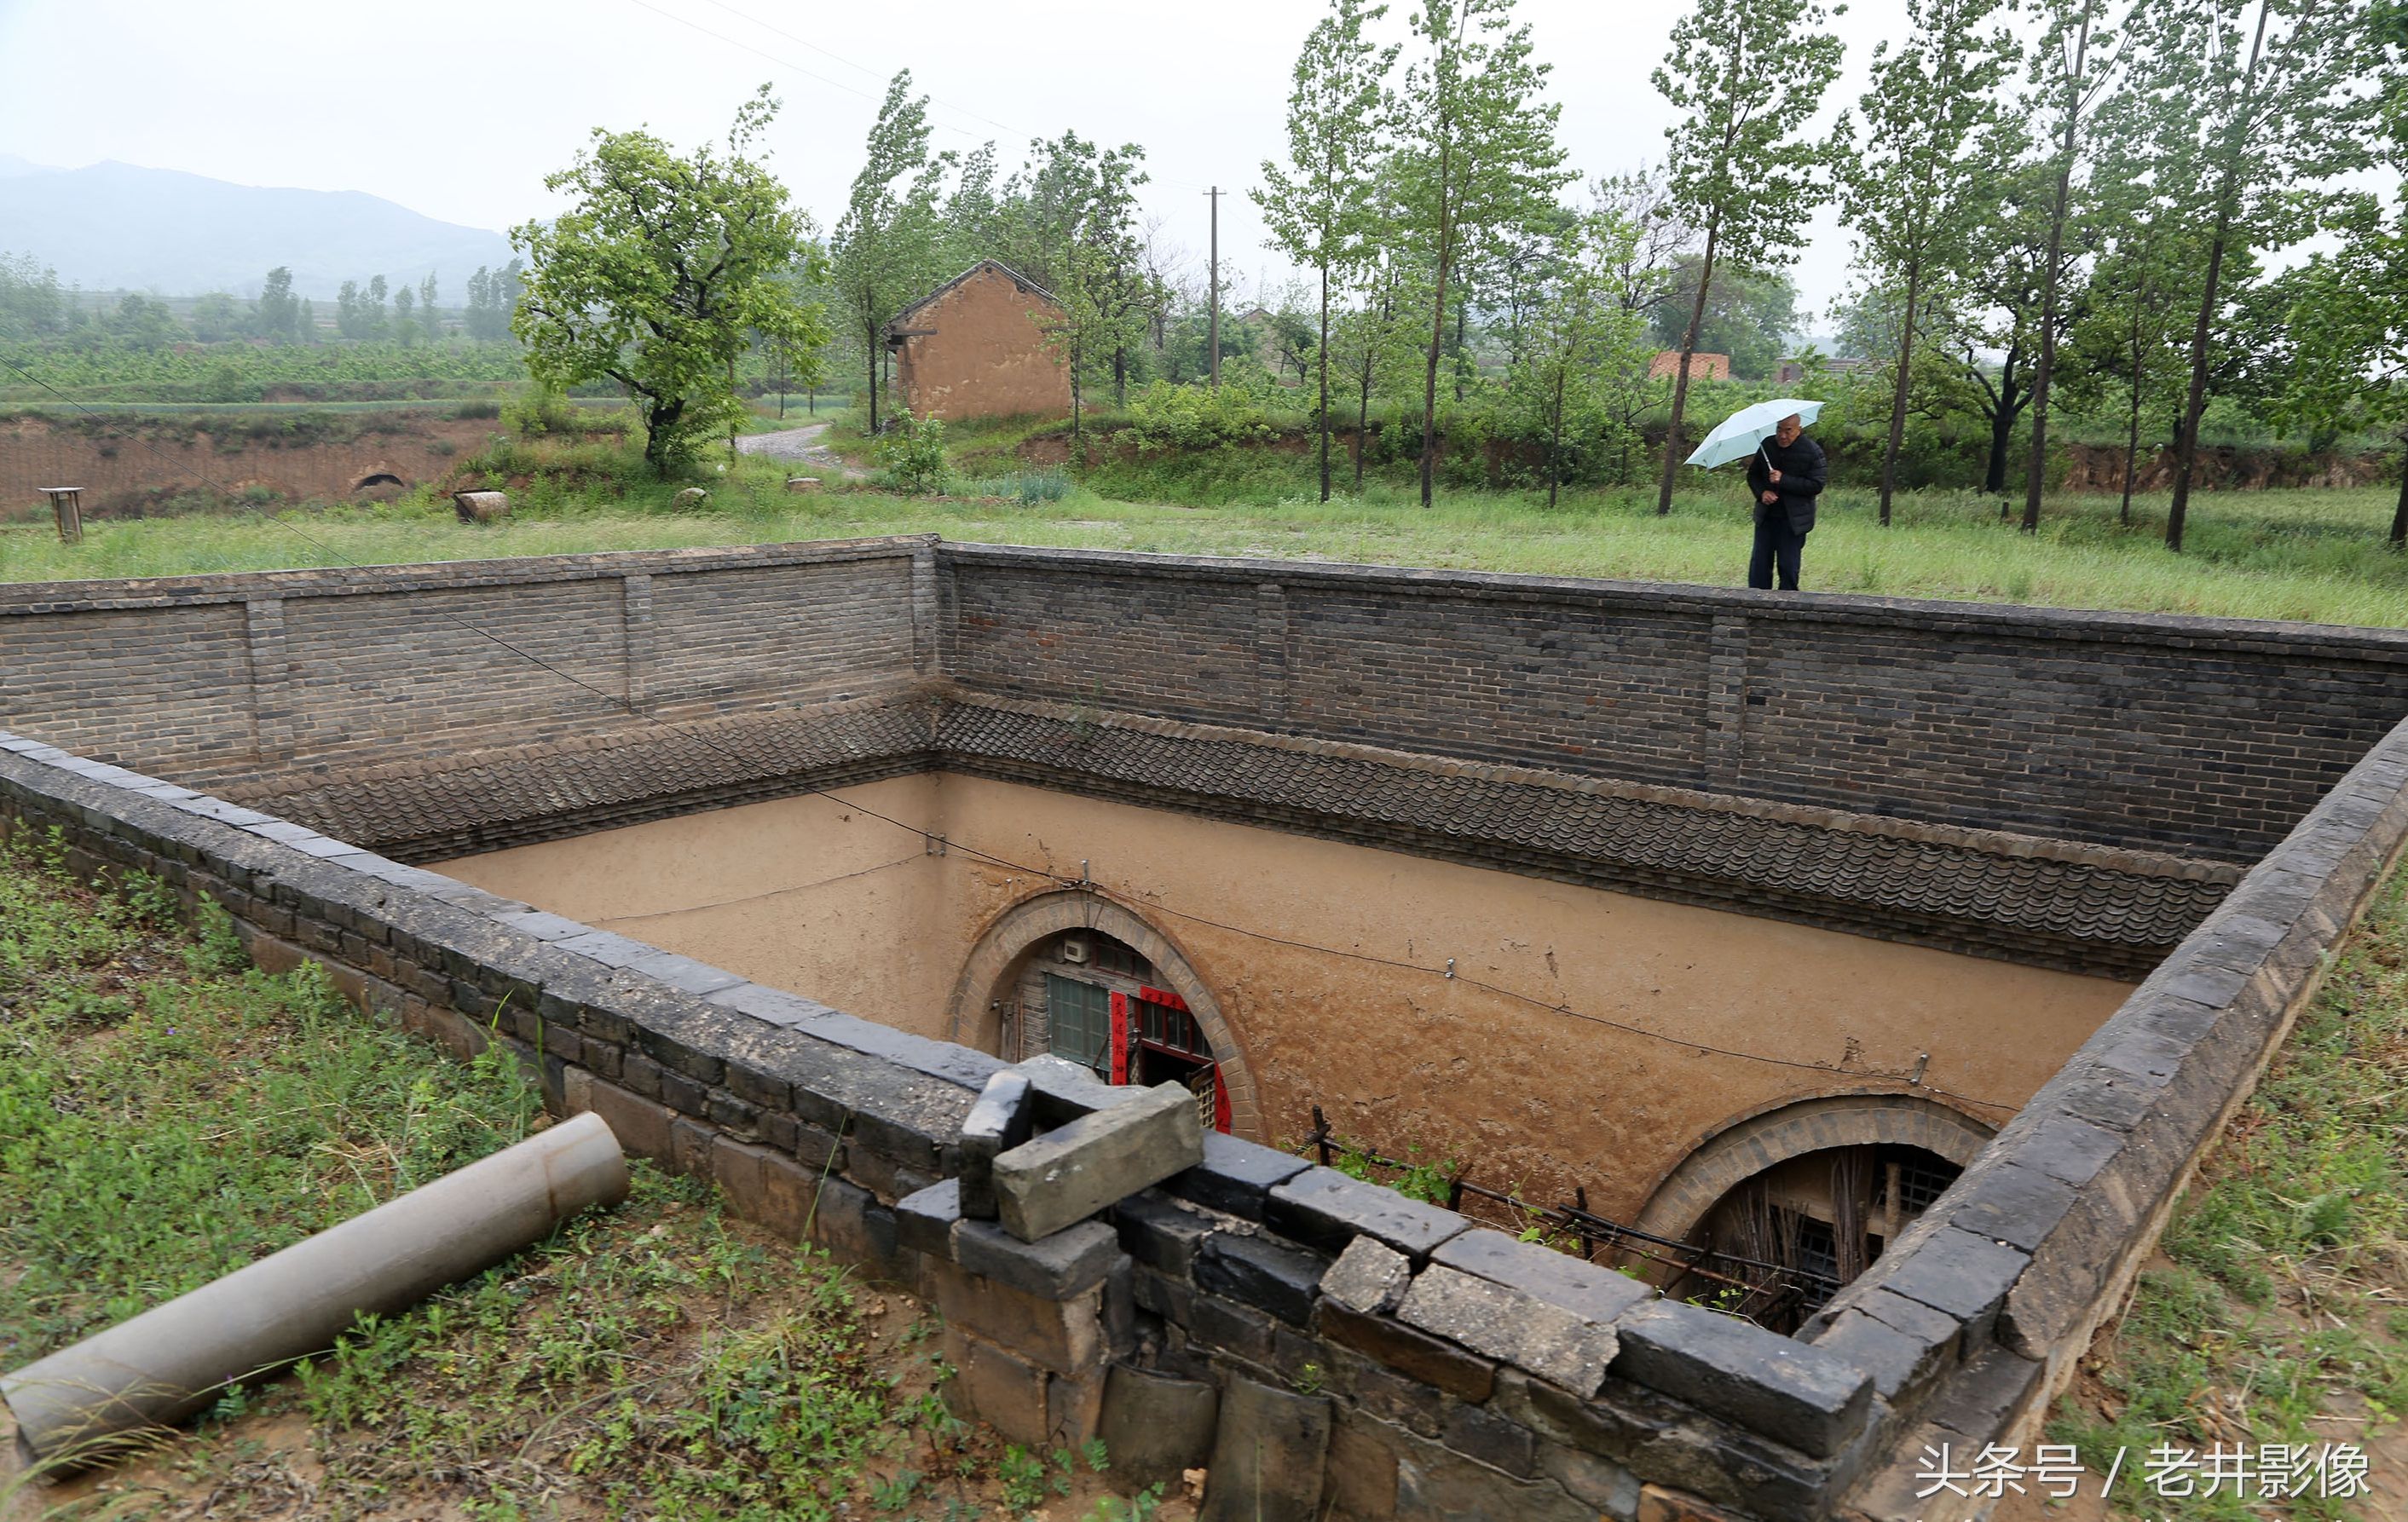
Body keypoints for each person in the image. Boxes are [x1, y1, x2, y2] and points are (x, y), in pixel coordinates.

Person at [1745, 413, 1827, 591]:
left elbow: (1816, 484)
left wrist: (1784, 480)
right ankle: (1756, 605)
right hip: (1766, 517)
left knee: (1788, 566)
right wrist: (1762, 493)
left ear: (1799, 430)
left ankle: (1786, 608)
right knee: (1759, 565)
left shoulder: (1812, 451)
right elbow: (1753, 475)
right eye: (1779, 430)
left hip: (1793, 520)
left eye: (1788, 430)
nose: (1782, 435)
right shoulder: (1767, 445)